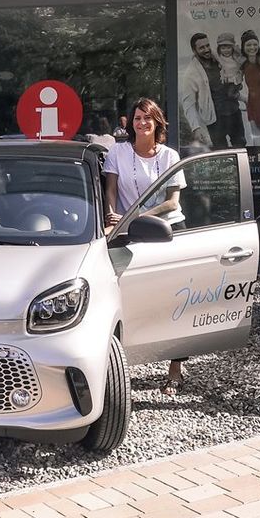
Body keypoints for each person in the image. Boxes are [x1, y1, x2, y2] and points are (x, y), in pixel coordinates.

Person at [103, 97, 189, 395]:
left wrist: (133, 215)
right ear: (130, 122)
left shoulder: (169, 156)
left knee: (173, 300)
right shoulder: (117, 152)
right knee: (126, 296)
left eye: (147, 118)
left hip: (167, 229)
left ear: (157, 123)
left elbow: (171, 202)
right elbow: (111, 190)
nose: (142, 123)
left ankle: (175, 369)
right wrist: (113, 220)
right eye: (137, 118)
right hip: (128, 232)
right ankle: (118, 364)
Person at [180, 32, 246, 151]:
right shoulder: (191, 72)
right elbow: (188, 103)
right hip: (215, 119)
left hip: (234, 112)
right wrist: (196, 128)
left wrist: (245, 99)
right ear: (194, 50)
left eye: (207, 45)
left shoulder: (218, 59)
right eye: (201, 47)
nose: (206, 49)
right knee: (221, 152)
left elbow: (229, 86)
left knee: (240, 148)